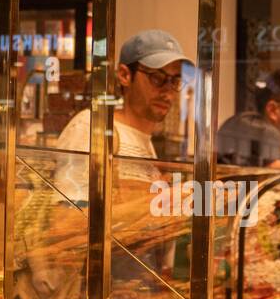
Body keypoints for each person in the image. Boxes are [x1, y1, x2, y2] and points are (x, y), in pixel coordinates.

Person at [52, 29, 187, 201]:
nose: (168, 93)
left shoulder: (145, 143)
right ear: (124, 75)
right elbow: (67, 219)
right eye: (157, 78)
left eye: (175, 80)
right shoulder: (91, 128)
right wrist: (159, 201)